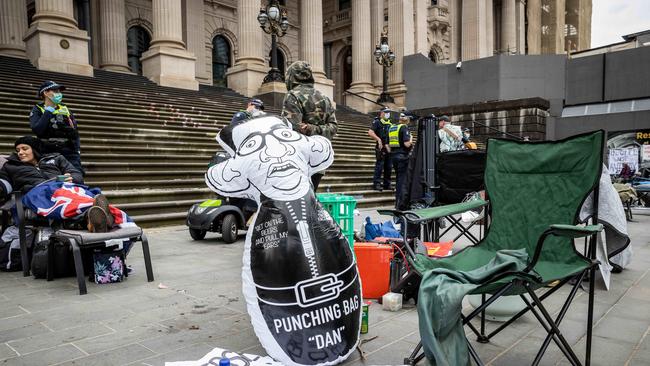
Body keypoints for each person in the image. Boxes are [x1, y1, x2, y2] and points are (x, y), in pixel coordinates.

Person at [0, 137, 116, 233]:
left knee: (81, 194)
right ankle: (95, 217)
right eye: (18, 150)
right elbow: (5, 182)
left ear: (34, 149)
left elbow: (76, 173)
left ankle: (97, 217)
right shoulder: (11, 166)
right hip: (36, 193)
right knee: (60, 196)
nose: (20, 153)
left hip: (64, 187)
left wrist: (72, 178)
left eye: (24, 149)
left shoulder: (56, 158)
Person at [281, 61, 338, 191]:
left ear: (291, 76)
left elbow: (292, 128)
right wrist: (316, 129)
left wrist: (309, 129)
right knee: (310, 196)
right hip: (320, 157)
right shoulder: (324, 97)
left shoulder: (292, 95)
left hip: (300, 157)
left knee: (297, 199)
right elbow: (334, 127)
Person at [29, 81, 83, 175]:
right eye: (55, 91)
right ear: (45, 93)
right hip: (48, 150)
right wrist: (48, 111)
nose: (59, 94)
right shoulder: (37, 109)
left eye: (59, 91)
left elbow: (75, 130)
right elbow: (37, 130)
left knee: (76, 177)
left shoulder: (65, 108)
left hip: (69, 151)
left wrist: (77, 149)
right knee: (54, 179)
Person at [388, 113, 413, 208]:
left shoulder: (392, 128)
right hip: (402, 157)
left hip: (394, 157)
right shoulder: (404, 127)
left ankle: (397, 202)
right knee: (402, 181)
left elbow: (387, 145)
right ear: (407, 120)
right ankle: (400, 204)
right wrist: (411, 139)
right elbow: (407, 144)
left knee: (399, 179)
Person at [368, 108, 393, 191]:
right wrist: (378, 139)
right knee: (379, 166)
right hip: (381, 148)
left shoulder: (389, 123)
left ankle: (387, 184)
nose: (388, 114)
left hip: (388, 148)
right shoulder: (377, 122)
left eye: (388, 112)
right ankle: (377, 184)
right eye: (386, 112)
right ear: (381, 113)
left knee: (388, 167)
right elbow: (370, 132)